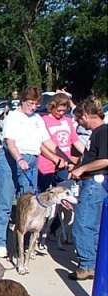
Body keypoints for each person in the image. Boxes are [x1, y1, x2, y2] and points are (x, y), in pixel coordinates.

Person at [0, 86, 49, 258]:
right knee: (5, 202)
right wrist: (19, 159)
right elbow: (10, 142)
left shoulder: (38, 119)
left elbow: (46, 142)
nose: (33, 107)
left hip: (32, 159)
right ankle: (0, 242)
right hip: (12, 159)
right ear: (23, 101)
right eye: (31, 103)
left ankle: (22, 243)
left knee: (27, 204)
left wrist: (60, 158)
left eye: (36, 104)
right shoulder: (13, 117)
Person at [69, 97, 108, 280]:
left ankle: (86, 265)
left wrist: (83, 169)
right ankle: (92, 263)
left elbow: (105, 160)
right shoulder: (98, 133)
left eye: (79, 119)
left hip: (94, 184)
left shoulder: (103, 132)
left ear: (86, 115)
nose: (79, 123)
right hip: (92, 182)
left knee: (83, 225)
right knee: (93, 226)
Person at [37, 93, 84, 191]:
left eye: (64, 110)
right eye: (59, 110)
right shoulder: (43, 120)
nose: (61, 113)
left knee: (62, 191)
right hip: (46, 164)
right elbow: (41, 144)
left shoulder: (67, 121)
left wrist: (88, 154)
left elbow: (76, 141)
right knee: (43, 193)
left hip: (64, 164)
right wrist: (55, 159)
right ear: (52, 107)